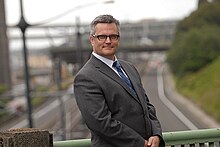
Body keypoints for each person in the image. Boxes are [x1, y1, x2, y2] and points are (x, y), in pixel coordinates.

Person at [74, 14, 165, 147]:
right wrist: (141, 143)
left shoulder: (130, 68)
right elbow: (101, 123)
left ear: (118, 39)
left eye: (113, 36)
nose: (108, 41)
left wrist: (156, 134)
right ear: (92, 40)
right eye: (102, 37)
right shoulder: (86, 77)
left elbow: (147, 106)